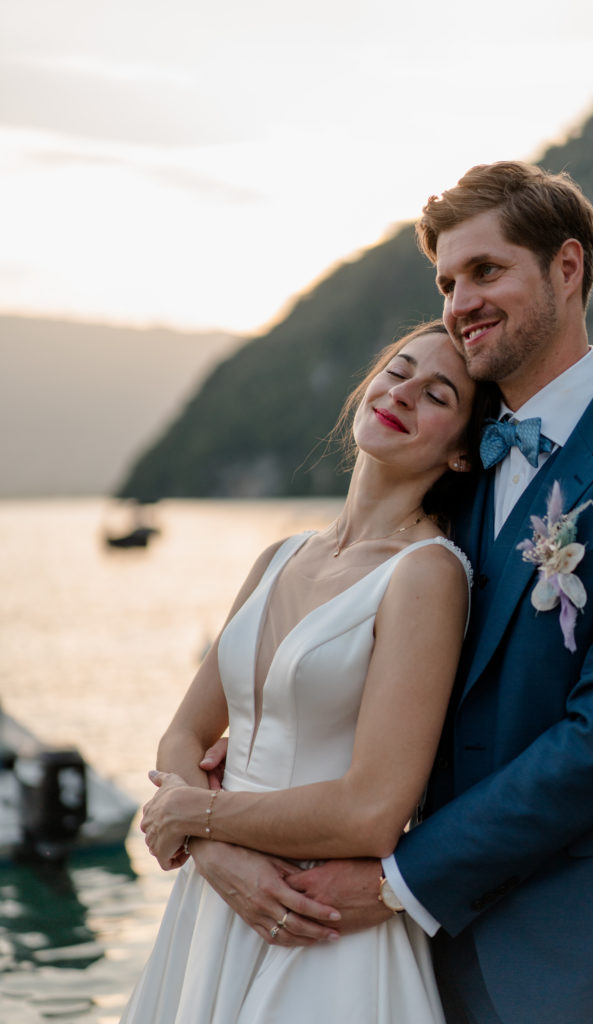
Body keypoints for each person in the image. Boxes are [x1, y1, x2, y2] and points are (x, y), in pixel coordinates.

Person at [198, 162, 593, 1024]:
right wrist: (246, 778)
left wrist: (397, 881)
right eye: (447, 281)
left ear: (566, 268)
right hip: (420, 955)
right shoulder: (455, 468)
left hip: (585, 943)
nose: (460, 302)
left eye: (486, 272)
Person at [120, 321, 498, 1023]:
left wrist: (194, 813)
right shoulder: (278, 557)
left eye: (437, 394)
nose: (404, 392)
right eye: (398, 370)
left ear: (463, 454)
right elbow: (182, 735)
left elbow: (371, 813)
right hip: (216, 908)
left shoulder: (426, 575)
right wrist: (217, 858)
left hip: (315, 926)